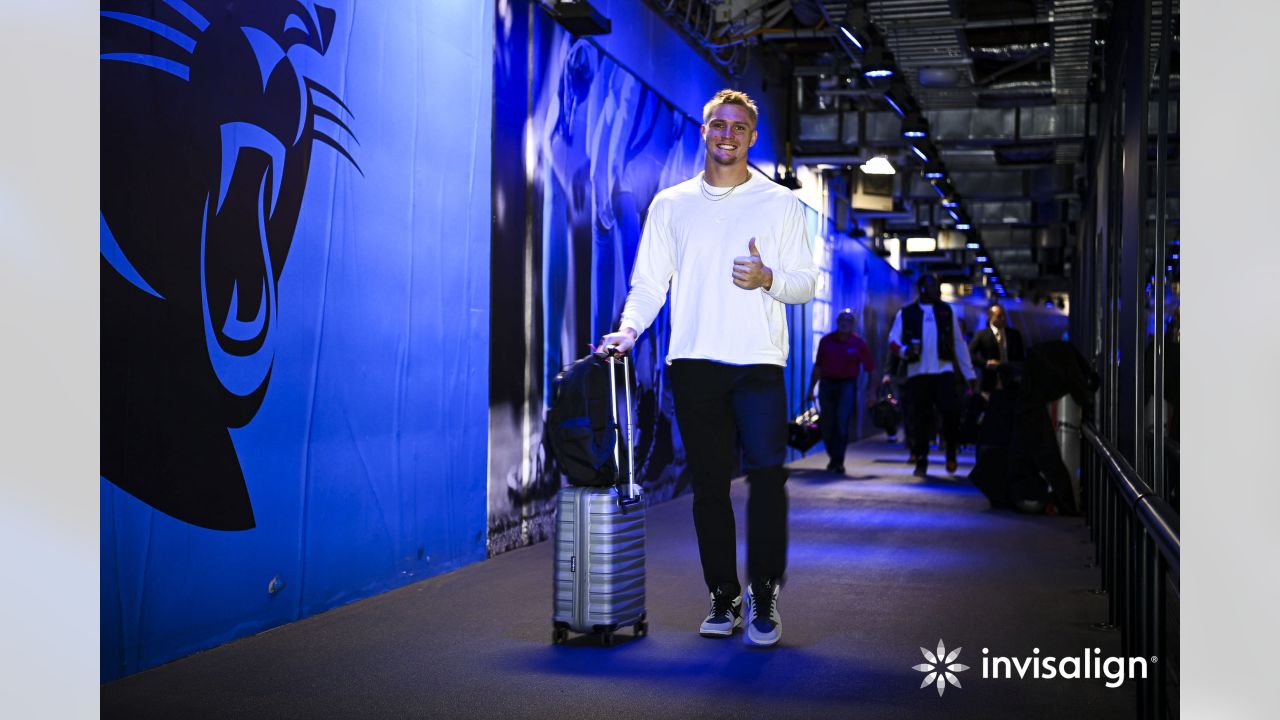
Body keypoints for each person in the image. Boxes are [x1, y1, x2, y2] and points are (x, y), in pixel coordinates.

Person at [599, 89, 817, 648]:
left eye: (738, 126)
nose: (727, 134)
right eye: (717, 124)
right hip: (694, 363)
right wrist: (630, 329)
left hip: (758, 365)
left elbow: (804, 284)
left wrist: (768, 278)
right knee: (711, 489)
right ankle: (723, 594)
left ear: (751, 137)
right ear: (704, 132)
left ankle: (763, 590)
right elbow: (650, 283)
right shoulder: (671, 205)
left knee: (768, 477)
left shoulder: (781, 205)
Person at [884, 274, 977, 477]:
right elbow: (892, 340)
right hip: (918, 373)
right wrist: (904, 351)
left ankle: (951, 451)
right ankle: (921, 458)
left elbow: (958, 343)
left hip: (944, 371)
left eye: (938, 285)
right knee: (921, 419)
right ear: (923, 289)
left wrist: (969, 373)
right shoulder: (906, 313)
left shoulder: (946, 311)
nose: (937, 289)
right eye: (933, 286)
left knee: (950, 412)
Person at [808, 308, 875, 473]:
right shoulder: (826, 341)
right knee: (826, 424)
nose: (845, 324)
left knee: (841, 422)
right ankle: (833, 456)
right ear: (838, 323)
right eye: (842, 321)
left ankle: (838, 461)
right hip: (827, 384)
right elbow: (818, 367)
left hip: (847, 385)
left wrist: (872, 393)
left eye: (848, 321)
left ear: (852, 324)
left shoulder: (859, 344)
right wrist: (811, 389)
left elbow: (871, 369)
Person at [969, 303, 1026, 393]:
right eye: (999, 316)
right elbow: (969, 353)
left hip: (1010, 381)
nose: (1003, 319)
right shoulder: (982, 334)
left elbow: (1021, 357)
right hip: (989, 380)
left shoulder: (1014, 334)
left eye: (1004, 315)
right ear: (990, 317)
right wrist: (985, 363)